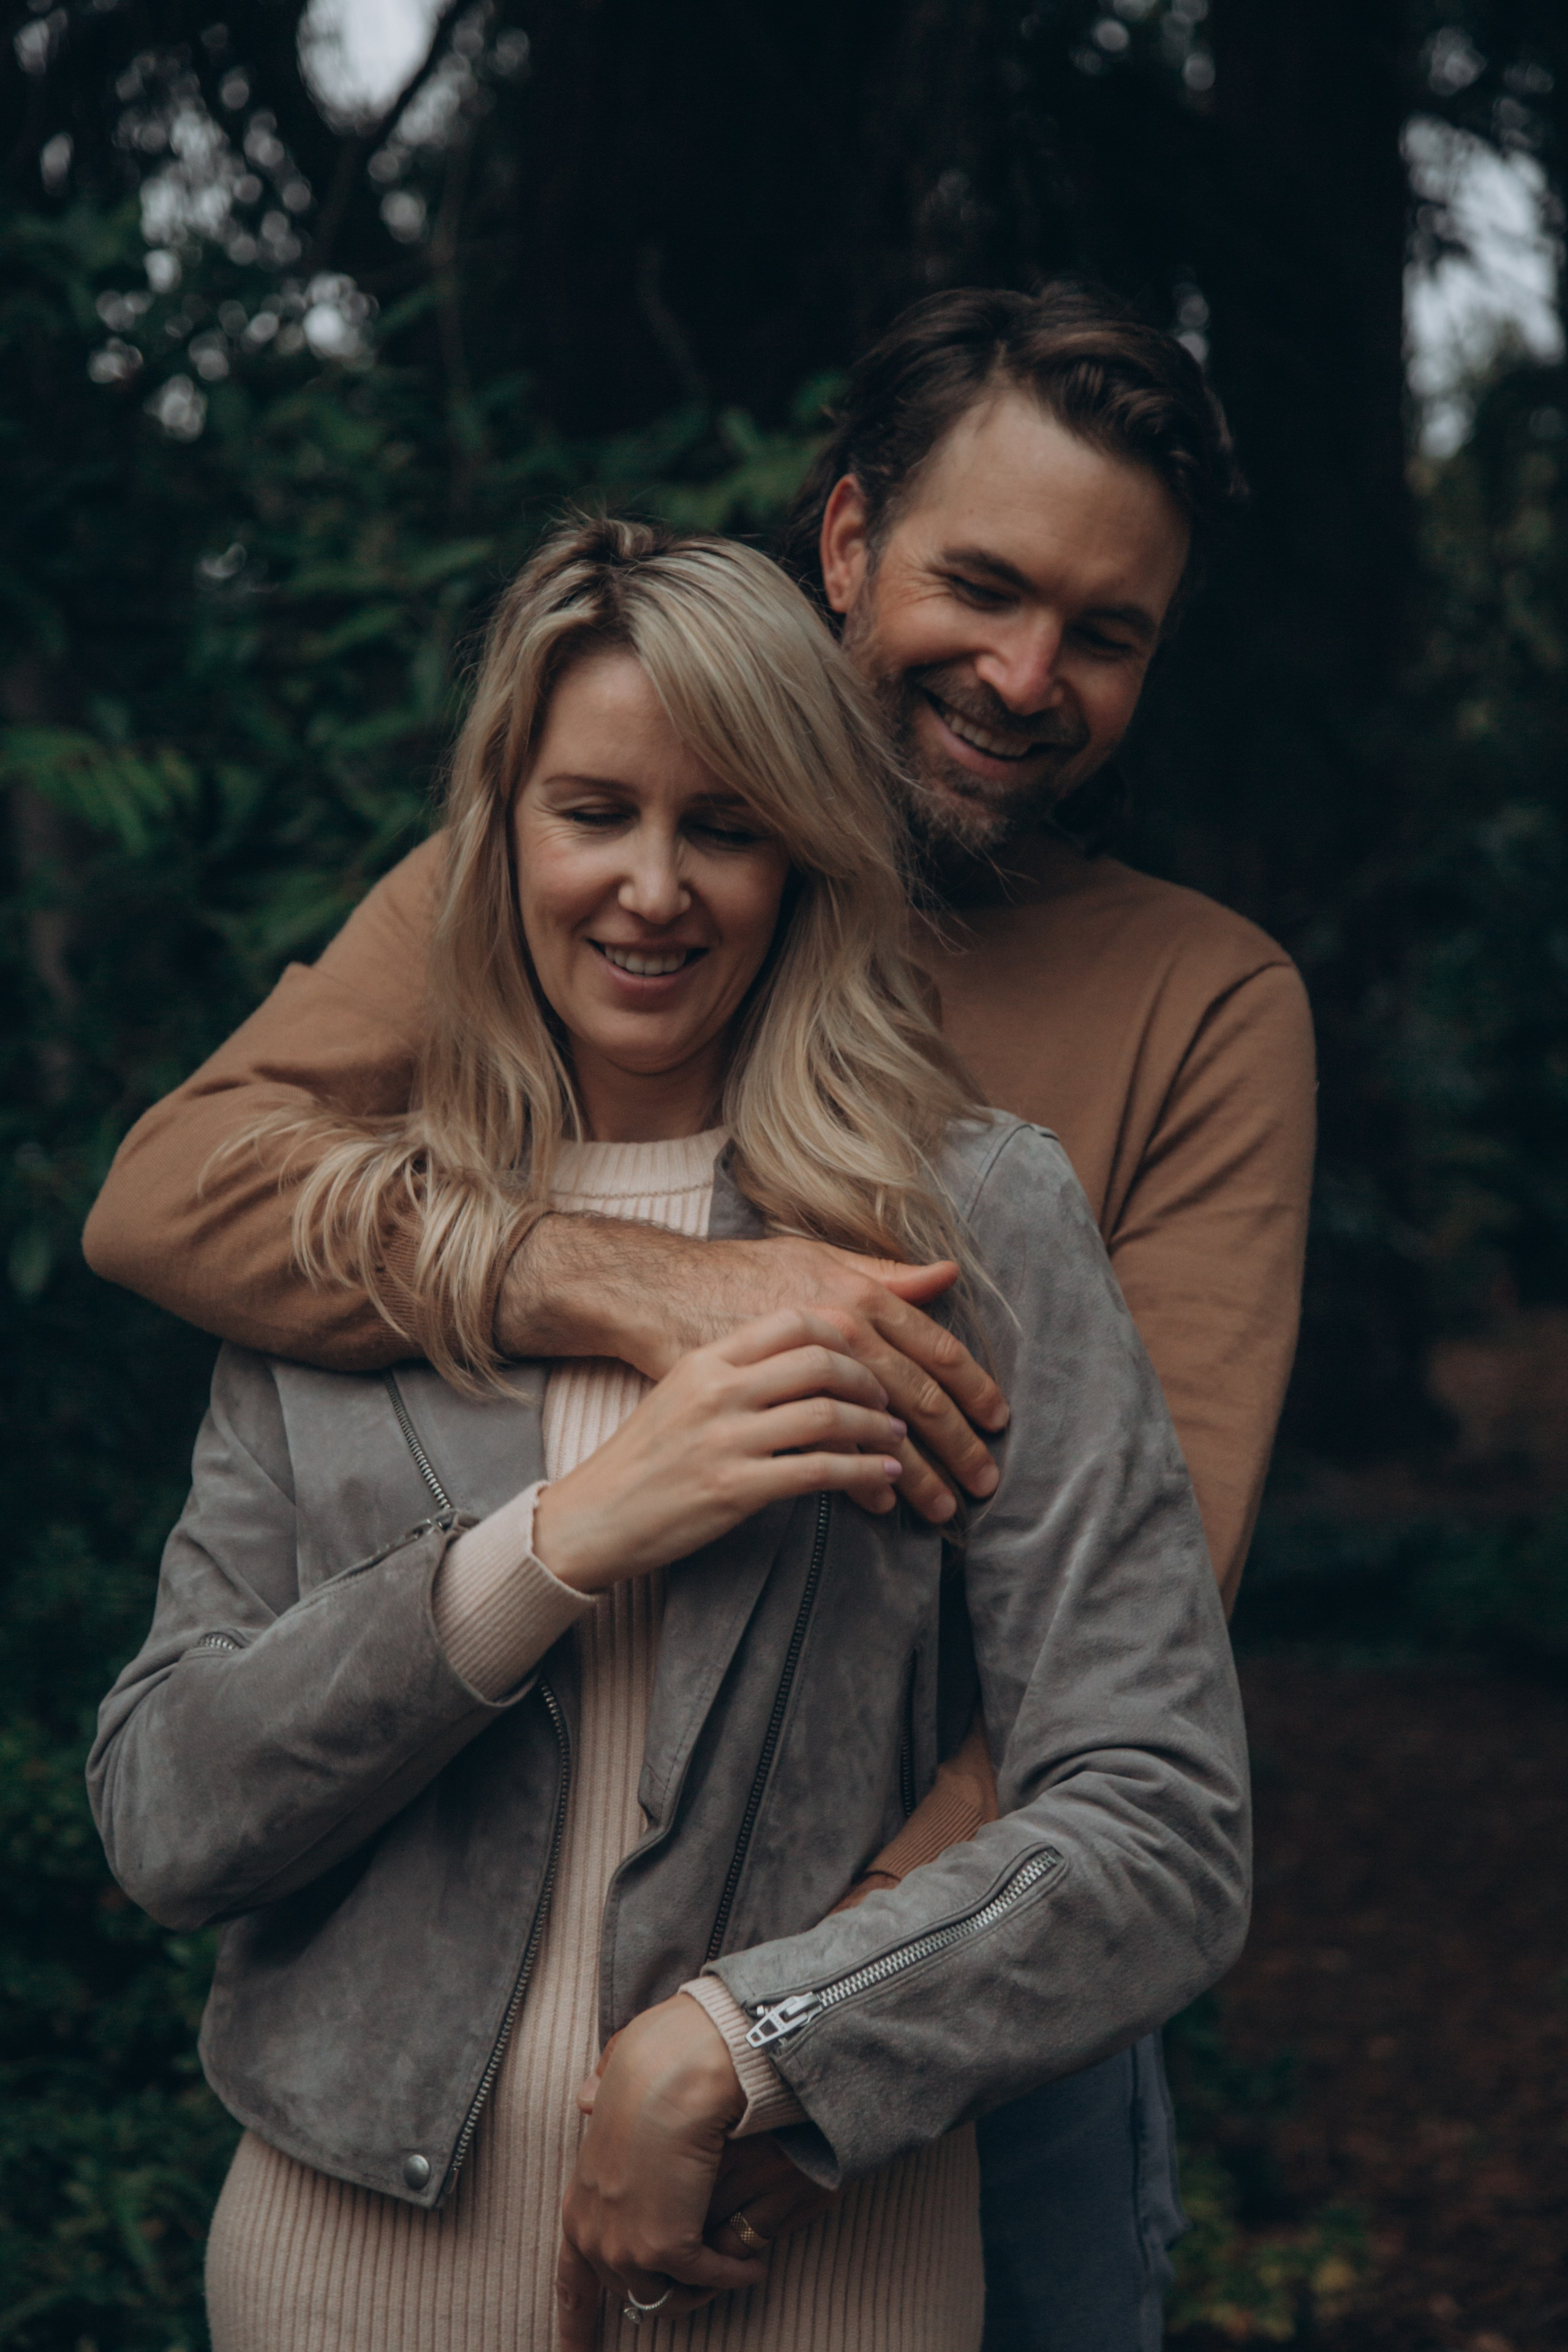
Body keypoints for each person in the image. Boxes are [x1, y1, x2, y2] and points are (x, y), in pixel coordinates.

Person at [83, 283, 1315, 2346]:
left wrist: (775, 2040)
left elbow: (1124, 1662)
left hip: (975, 2005)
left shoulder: (1193, 1009)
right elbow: (183, 1191)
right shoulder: (560, 875)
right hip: (425, 2099)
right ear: (849, 544)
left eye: (1104, 634)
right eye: (984, 586)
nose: (1026, 676)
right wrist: (654, 1290)